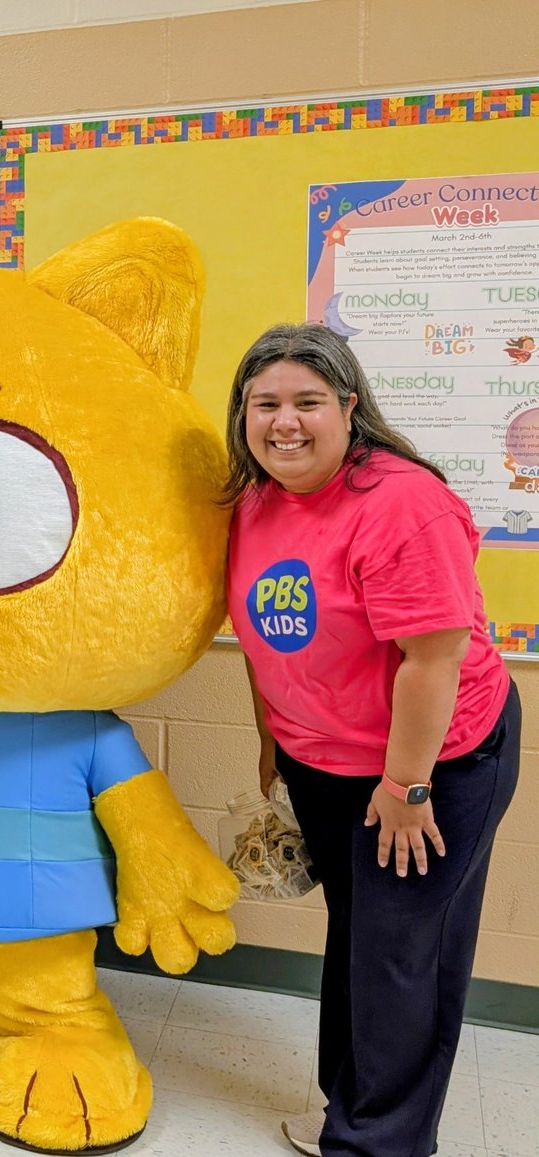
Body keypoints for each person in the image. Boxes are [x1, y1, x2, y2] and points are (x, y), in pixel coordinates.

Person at [223, 322, 520, 1157]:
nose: (285, 421)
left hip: (433, 762)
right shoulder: (253, 501)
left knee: (402, 952)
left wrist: (407, 786)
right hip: (323, 759)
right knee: (359, 932)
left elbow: (433, 657)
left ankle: (377, 1144)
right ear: (242, 415)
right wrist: (270, 740)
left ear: (350, 407)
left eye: (307, 401)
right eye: (265, 403)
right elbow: (262, 637)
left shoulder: (401, 503)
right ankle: (344, 1111)